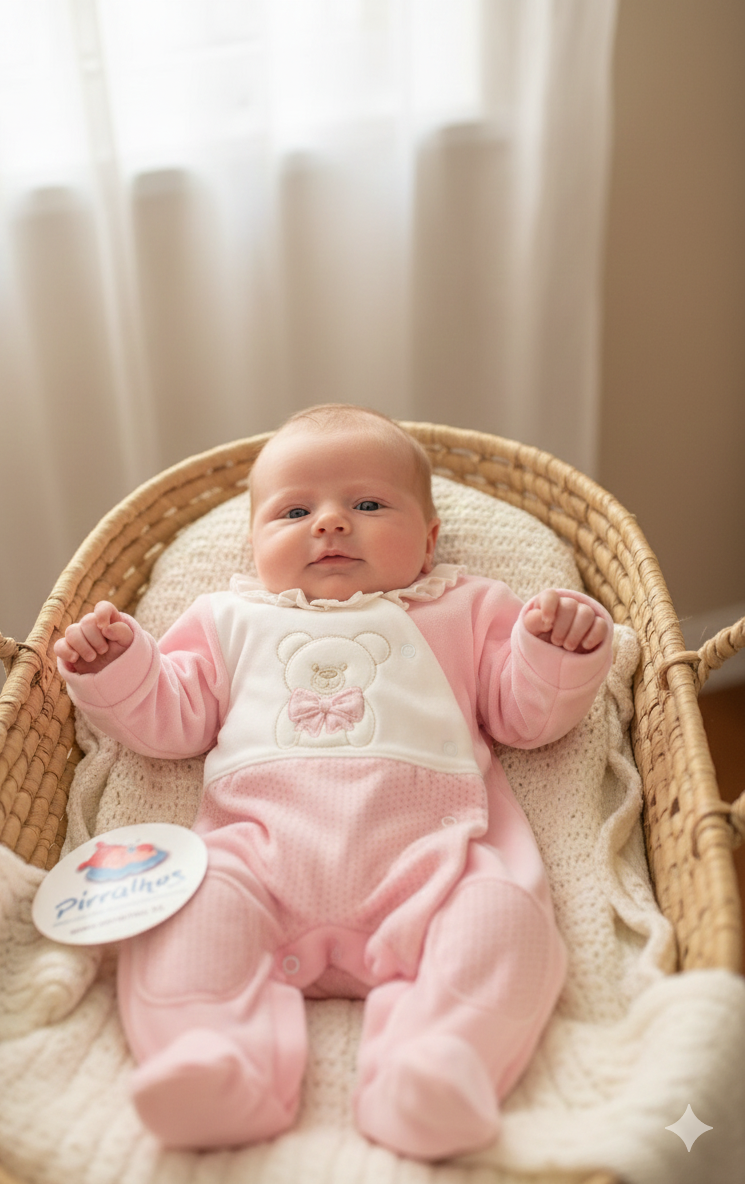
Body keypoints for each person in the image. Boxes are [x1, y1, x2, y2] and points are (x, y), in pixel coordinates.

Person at [54, 404, 613, 1160]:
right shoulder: (227, 617)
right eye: (293, 511)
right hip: (257, 860)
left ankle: (433, 1066)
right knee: (188, 908)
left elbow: (524, 718)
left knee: (505, 919)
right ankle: (216, 1061)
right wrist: (118, 668)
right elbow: (171, 725)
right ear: (254, 545)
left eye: (369, 504)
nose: (330, 524)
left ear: (430, 539)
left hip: (432, 862)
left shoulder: (465, 605)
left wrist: (553, 650)